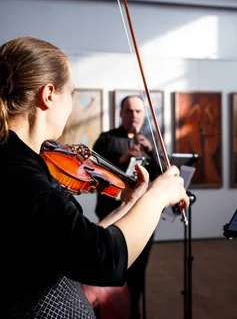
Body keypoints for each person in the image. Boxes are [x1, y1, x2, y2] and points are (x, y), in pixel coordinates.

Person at [0, 36, 189, 318]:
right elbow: (104, 261)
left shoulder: (1, 161)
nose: (71, 105)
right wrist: (158, 197)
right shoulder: (15, 173)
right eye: (71, 94)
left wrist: (131, 204)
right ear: (49, 94)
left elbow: (76, 244)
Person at [93, 95, 165, 319]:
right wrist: (123, 159)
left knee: (138, 270)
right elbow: (95, 173)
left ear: (143, 115)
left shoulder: (149, 143)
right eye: (129, 111)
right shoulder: (106, 139)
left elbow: (163, 176)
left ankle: (134, 312)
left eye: (138, 111)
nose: (134, 115)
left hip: (143, 216)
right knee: (114, 269)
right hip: (112, 213)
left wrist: (151, 152)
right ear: (121, 113)